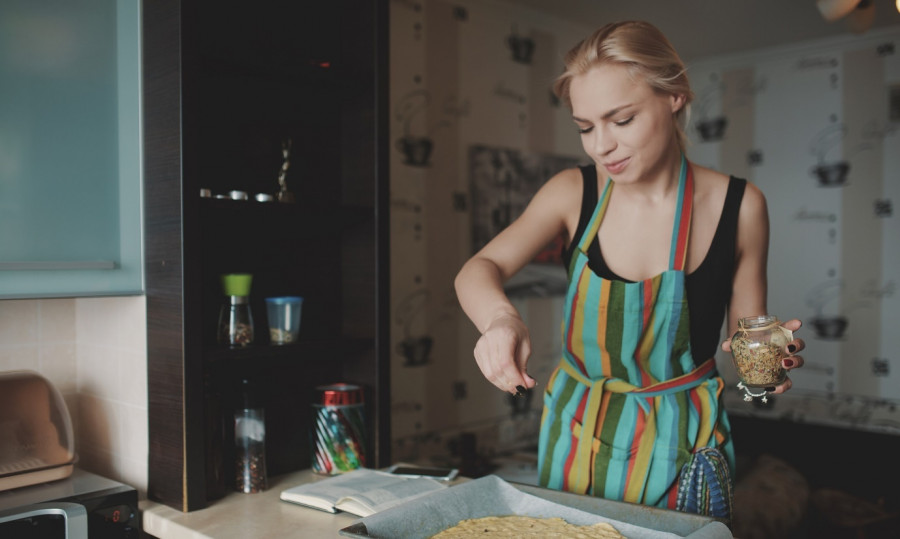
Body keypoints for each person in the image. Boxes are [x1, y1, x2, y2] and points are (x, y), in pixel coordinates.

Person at [453, 20, 806, 520]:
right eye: (585, 127)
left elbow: (749, 341)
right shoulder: (572, 192)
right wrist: (500, 320)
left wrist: (767, 369)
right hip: (577, 430)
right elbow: (479, 267)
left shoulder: (740, 205)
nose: (601, 146)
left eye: (621, 120)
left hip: (684, 439)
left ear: (675, 97)